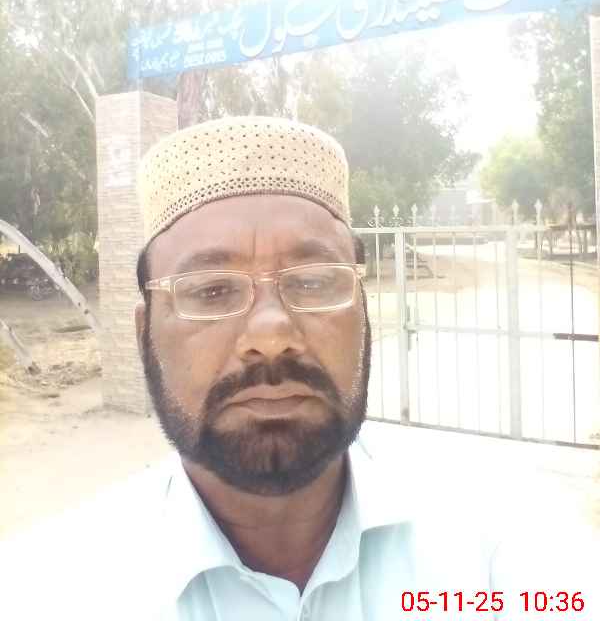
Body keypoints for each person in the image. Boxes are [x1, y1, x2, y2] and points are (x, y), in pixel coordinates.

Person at [1, 116, 597, 621]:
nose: (271, 336)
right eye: (211, 291)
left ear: (363, 312)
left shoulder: (502, 534)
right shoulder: (47, 590)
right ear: (144, 334)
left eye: (314, 282)